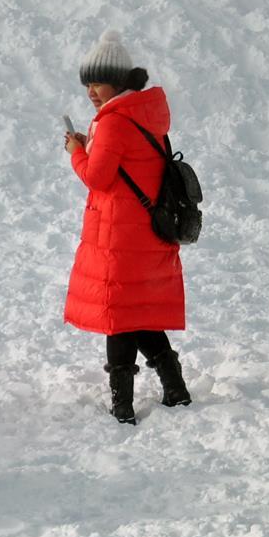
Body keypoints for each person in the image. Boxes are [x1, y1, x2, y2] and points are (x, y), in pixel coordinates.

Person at [63, 30, 191, 425]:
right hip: (147, 232)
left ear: (117, 83)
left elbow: (98, 178)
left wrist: (76, 152)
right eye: (87, 84)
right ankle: (175, 388)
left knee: (118, 314)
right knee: (138, 314)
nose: (91, 92)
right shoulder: (144, 116)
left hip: (120, 236)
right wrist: (92, 143)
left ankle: (122, 405)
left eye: (97, 83)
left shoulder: (115, 123)